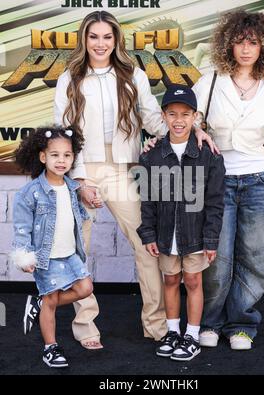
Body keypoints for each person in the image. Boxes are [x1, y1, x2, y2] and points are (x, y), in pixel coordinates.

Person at [53, 10, 171, 345]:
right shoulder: (69, 78)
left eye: (107, 37)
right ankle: (85, 326)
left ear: (116, 40)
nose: (100, 43)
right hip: (84, 169)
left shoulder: (133, 74)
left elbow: (151, 115)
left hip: (123, 168)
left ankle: (156, 325)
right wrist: (78, 179)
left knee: (146, 245)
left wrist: (184, 134)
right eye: (94, 37)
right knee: (79, 251)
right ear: (84, 39)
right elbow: (63, 131)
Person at [192, 10, 264, 350]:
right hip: (218, 182)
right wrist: (194, 129)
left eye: (253, 42)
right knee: (216, 257)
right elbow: (185, 119)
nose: (246, 49)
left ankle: (242, 325)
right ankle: (210, 321)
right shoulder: (210, 82)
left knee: (256, 257)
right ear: (227, 44)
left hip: (260, 181)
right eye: (239, 42)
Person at [137, 85, 225, 361]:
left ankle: (192, 335)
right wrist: (149, 234)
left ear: (195, 117)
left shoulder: (208, 155)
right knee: (171, 280)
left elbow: (215, 202)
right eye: (172, 113)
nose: (178, 120)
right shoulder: (151, 155)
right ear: (163, 116)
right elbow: (147, 200)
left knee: (194, 281)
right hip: (165, 234)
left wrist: (211, 240)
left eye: (185, 114)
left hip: (195, 234)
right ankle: (173, 331)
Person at [11, 126, 100, 367]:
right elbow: (22, 227)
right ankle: (50, 347)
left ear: (73, 158)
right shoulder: (30, 192)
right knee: (51, 300)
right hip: (45, 257)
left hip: (69, 253)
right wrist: (25, 255)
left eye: (67, 155)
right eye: (55, 155)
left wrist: (91, 201)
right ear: (43, 157)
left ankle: (39, 303)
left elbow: (74, 216)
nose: (61, 161)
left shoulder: (72, 187)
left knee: (85, 288)